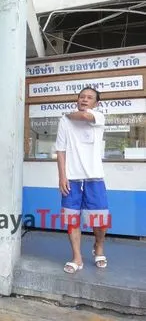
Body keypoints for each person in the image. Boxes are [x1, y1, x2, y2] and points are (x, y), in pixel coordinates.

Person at [54, 87, 110, 274]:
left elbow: (84, 117)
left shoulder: (99, 117)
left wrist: (69, 114)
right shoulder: (65, 121)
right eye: (82, 97)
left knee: (100, 220)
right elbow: (60, 150)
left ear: (96, 103)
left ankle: (99, 247)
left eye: (89, 98)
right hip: (72, 179)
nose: (84, 100)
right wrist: (62, 176)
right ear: (77, 99)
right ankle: (77, 257)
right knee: (72, 220)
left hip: (95, 178)